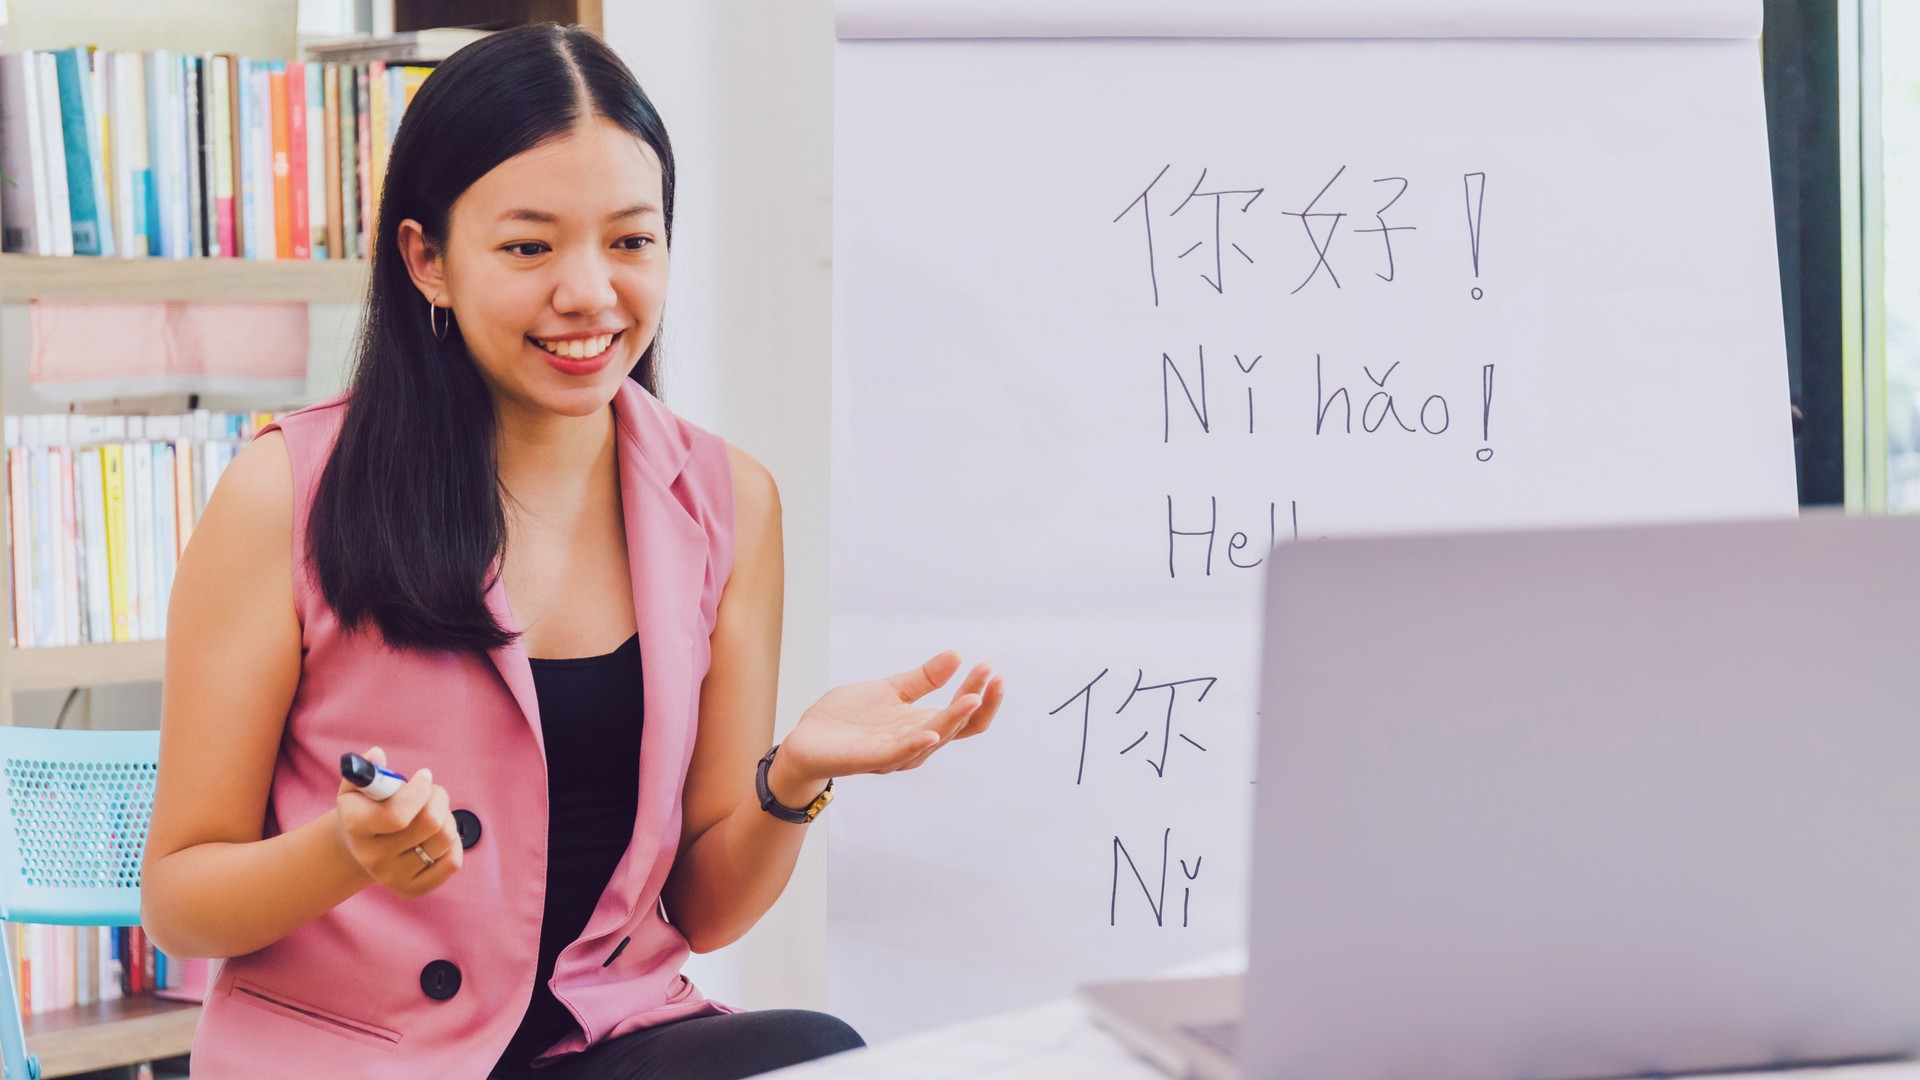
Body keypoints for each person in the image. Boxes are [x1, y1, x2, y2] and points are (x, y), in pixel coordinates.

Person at [140, 23, 1004, 1080]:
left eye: (631, 242)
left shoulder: (731, 502)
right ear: (427, 260)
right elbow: (182, 900)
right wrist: (341, 853)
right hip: (368, 1059)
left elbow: (704, 908)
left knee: (818, 1057)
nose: (590, 292)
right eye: (529, 246)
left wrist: (795, 776)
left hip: (601, 1045)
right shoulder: (285, 492)